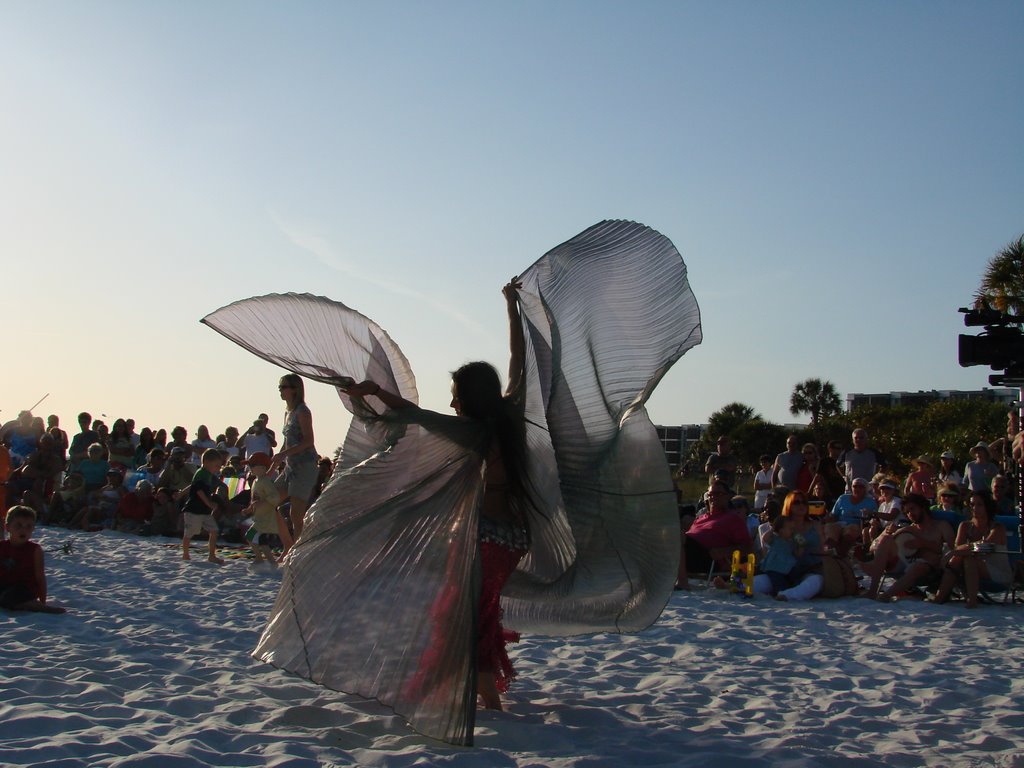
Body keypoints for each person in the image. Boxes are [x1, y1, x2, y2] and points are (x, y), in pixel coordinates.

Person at [206, 221, 702, 746]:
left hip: (488, 539)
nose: (453, 403)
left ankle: (476, 696)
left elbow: (416, 415)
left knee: (462, 613)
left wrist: (376, 393)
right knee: (477, 611)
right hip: (511, 542)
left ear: (467, 398)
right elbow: (519, 366)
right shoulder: (510, 418)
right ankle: (487, 696)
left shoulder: (472, 431)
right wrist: (513, 309)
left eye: (456, 395)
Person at [864, 493, 955, 601]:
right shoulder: (910, 529)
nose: (910, 514)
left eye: (912, 509)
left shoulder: (941, 525)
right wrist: (886, 533)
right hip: (908, 563)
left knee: (918, 566)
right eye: (907, 512)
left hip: (932, 568)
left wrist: (923, 543)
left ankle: (885, 596)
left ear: (922, 507)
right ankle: (872, 591)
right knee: (887, 539)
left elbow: (953, 549)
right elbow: (875, 546)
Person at [933, 491, 1012, 608]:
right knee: (962, 558)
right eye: (972, 505)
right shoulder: (965, 526)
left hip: (997, 571)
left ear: (987, 506)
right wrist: (955, 552)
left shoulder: (997, 528)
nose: (975, 508)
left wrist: (952, 553)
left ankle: (966, 600)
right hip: (973, 567)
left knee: (967, 559)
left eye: (979, 505)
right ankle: (942, 597)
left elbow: (982, 548)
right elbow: (958, 548)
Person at [271, 373, 318, 557]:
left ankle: (297, 553)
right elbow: (286, 442)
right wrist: (275, 464)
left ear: (295, 389)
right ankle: (288, 544)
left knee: (296, 514)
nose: (280, 390)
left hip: (305, 465)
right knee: (267, 502)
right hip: (290, 466)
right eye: (280, 387)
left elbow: (309, 441)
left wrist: (284, 453)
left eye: (283, 387)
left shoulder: (303, 412)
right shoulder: (287, 412)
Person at [676, 479, 753, 590]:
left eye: (718, 494)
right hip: (688, 554)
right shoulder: (701, 518)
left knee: (677, 535)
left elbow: (748, 548)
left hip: (708, 558)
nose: (712, 497)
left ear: (727, 497)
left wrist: (725, 551)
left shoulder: (733, 519)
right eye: (710, 494)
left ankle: (682, 582)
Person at [751, 490, 826, 601]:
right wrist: (776, 527)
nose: (801, 505)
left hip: (809, 569)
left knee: (816, 581)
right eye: (796, 502)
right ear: (789, 505)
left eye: (804, 502)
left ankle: (787, 595)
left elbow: (822, 548)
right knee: (761, 581)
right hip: (782, 569)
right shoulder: (782, 528)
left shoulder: (816, 525)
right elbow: (766, 543)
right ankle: (733, 587)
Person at [0, 506, 66, 612]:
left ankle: (40, 607)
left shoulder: (35, 550)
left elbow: (40, 577)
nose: (23, 530)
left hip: (24, 588)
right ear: (7, 527)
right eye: (19, 526)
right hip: (5, 585)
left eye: (28, 526)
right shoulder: (2, 546)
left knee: (10, 598)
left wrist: (43, 600)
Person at [181, 448, 226, 564]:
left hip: (204, 511)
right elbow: (198, 490)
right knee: (189, 533)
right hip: (194, 509)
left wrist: (180, 493)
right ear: (206, 462)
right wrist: (210, 504)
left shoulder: (208, 474)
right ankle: (185, 554)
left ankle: (212, 555)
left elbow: (192, 486)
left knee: (214, 530)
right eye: (216, 465)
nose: (218, 468)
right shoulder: (201, 474)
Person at [241, 452, 280, 566]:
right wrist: (248, 510)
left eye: (253, 465)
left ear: (263, 467)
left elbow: (275, 497)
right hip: (259, 517)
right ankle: (263, 559)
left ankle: (266, 560)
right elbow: (254, 501)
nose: (250, 468)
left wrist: (262, 502)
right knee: (261, 541)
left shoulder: (266, 482)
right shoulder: (255, 482)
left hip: (266, 518)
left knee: (255, 537)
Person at [825, 477, 877, 555]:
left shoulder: (871, 502)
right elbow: (834, 514)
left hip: (857, 525)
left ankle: (840, 553)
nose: (857, 489)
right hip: (840, 523)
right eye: (855, 486)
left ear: (865, 489)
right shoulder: (843, 498)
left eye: (860, 487)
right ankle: (829, 553)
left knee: (850, 530)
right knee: (831, 528)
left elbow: (874, 517)